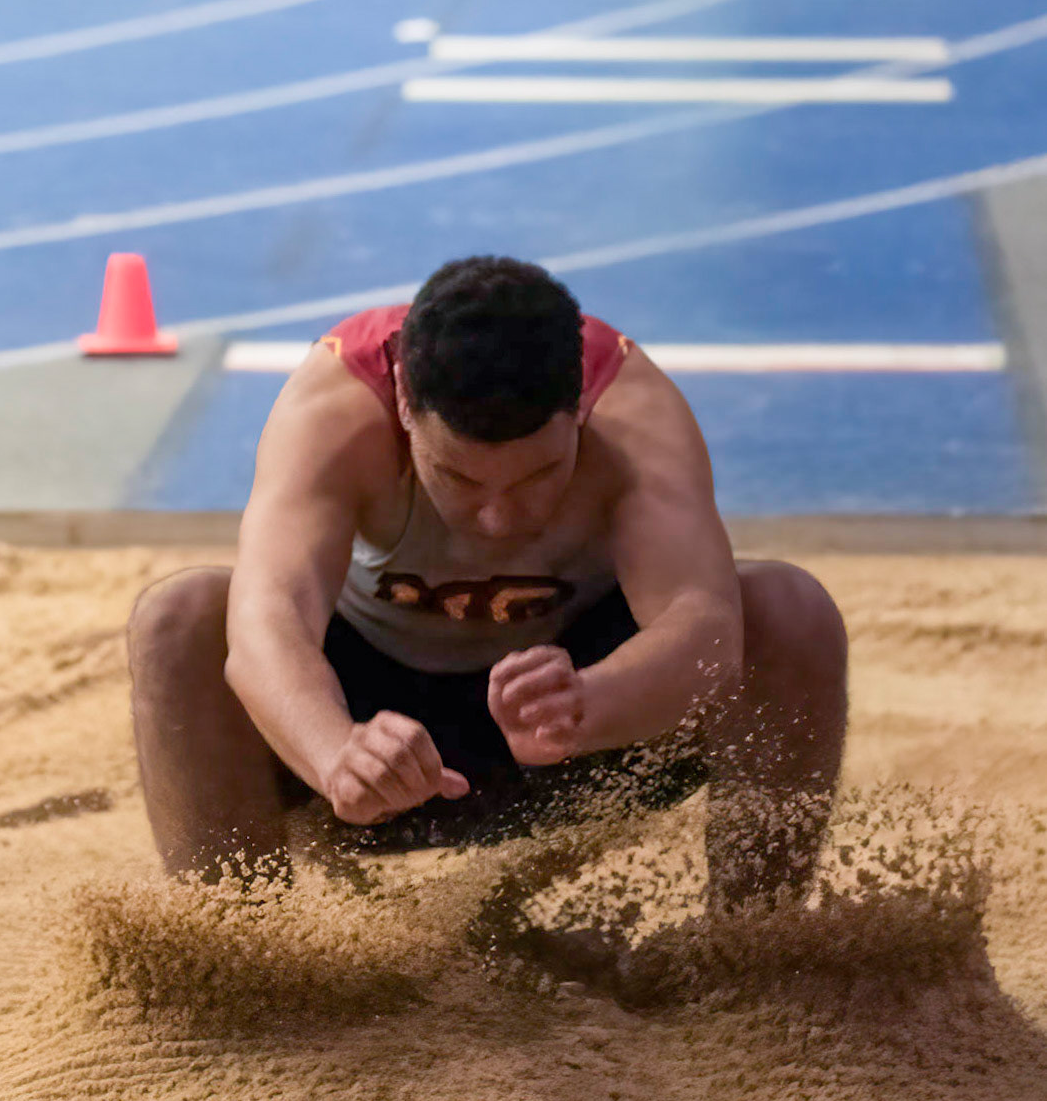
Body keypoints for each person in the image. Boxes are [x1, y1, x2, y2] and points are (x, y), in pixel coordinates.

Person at [128, 256, 847, 907]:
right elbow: (268, 621)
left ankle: (754, 948)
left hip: (579, 734)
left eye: (540, 475)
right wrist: (334, 751)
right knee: (178, 619)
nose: (499, 518)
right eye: (458, 477)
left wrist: (592, 703)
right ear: (403, 401)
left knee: (788, 608)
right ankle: (243, 951)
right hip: (376, 740)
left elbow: (706, 631)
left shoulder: (634, 414)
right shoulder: (335, 405)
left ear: (579, 405)